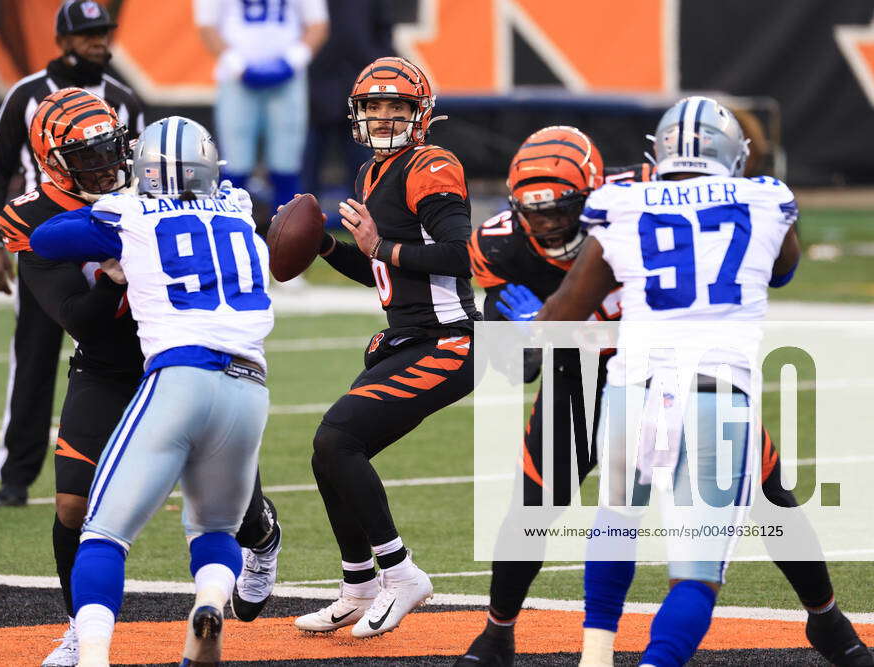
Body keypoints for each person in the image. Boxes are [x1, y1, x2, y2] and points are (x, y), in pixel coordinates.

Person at [455, 125, 873, 667]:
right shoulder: (498, 244)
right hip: (578, 376)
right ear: (514, 208)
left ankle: (827, 618)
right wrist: (518, 338)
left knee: (771, 492)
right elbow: (514, 361)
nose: (551, 223)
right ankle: (497, 632)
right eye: (536, 212)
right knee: (533, 505)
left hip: (666, 368)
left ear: (593, 192)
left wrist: (542, 324)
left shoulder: (639, 198)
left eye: (562, 208)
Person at [512, 96, 800, 667]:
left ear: (659, 151)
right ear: (733, 153)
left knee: (617, 517)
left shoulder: (621, 201)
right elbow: (784, 268)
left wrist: (528, 323)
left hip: (633, 390)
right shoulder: (766, 198)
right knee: (695, 574)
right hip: (717, 393)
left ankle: (595, 656)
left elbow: (567, 312)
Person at [2, 92, 281, 667]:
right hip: (113, 364)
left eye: (113, 151)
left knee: (236, 518)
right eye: (89, 156)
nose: (107, 166)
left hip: (176, 368)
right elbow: (75, 318)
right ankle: (81, 628)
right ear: (53, 163)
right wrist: (112, 279)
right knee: (74, 507)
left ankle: (265, 536)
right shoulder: (37, 214)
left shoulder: (138, 200)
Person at [292, 56, 480, 638]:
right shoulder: (372, 173)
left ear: (419, 113)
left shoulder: (430, 164)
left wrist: (379, 245)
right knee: (330, 453)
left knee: (338, 438)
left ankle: (401, 574)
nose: (382, 115)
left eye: (395, 105)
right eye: (372, 106)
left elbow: (459, 254)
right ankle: (358, 584)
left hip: (450, 341)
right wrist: (325, 247)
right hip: (407, 339)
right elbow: (384, 270)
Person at [0, 0, 144, 507]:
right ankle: (18, 472)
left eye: (103, 32)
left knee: (130, 354)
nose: (98, 41)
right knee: (33, 355)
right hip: (43, 236)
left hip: (112, 237)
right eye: (87, 34)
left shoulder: (123, 99)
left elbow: (143, 169)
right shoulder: (26, 95)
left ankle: (137, 467)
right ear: (64, 40)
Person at [195, 0, 329, 216]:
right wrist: (238, 65)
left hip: (288, 79)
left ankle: (288, 236)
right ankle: (230, 228)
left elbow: (318, 24)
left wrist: (291, 62)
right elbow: (206, 25)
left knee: (287, 160)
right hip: (236, 80)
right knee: (235, 160)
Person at [301, 0, 394, 198]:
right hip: (314, 86)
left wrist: (376, 68)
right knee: (306, 169)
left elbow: (384, 33)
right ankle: (299, 221)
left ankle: (366, 216)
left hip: (360, 86)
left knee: (364, 167)